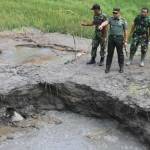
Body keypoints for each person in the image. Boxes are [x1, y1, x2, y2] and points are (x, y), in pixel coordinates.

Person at [99, 8, 128, 73]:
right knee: (109, 54)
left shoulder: (123, 20)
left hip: (119, 38)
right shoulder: (111, 19)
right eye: (113, 13)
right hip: (111, 38)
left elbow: (125, 31)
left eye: (116, 13)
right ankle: (107, 67)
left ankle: (121, 67)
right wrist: (101, 25)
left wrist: (125, 41)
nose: (114, 14)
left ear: (119, 13)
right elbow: (106, 22)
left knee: (120, 54)